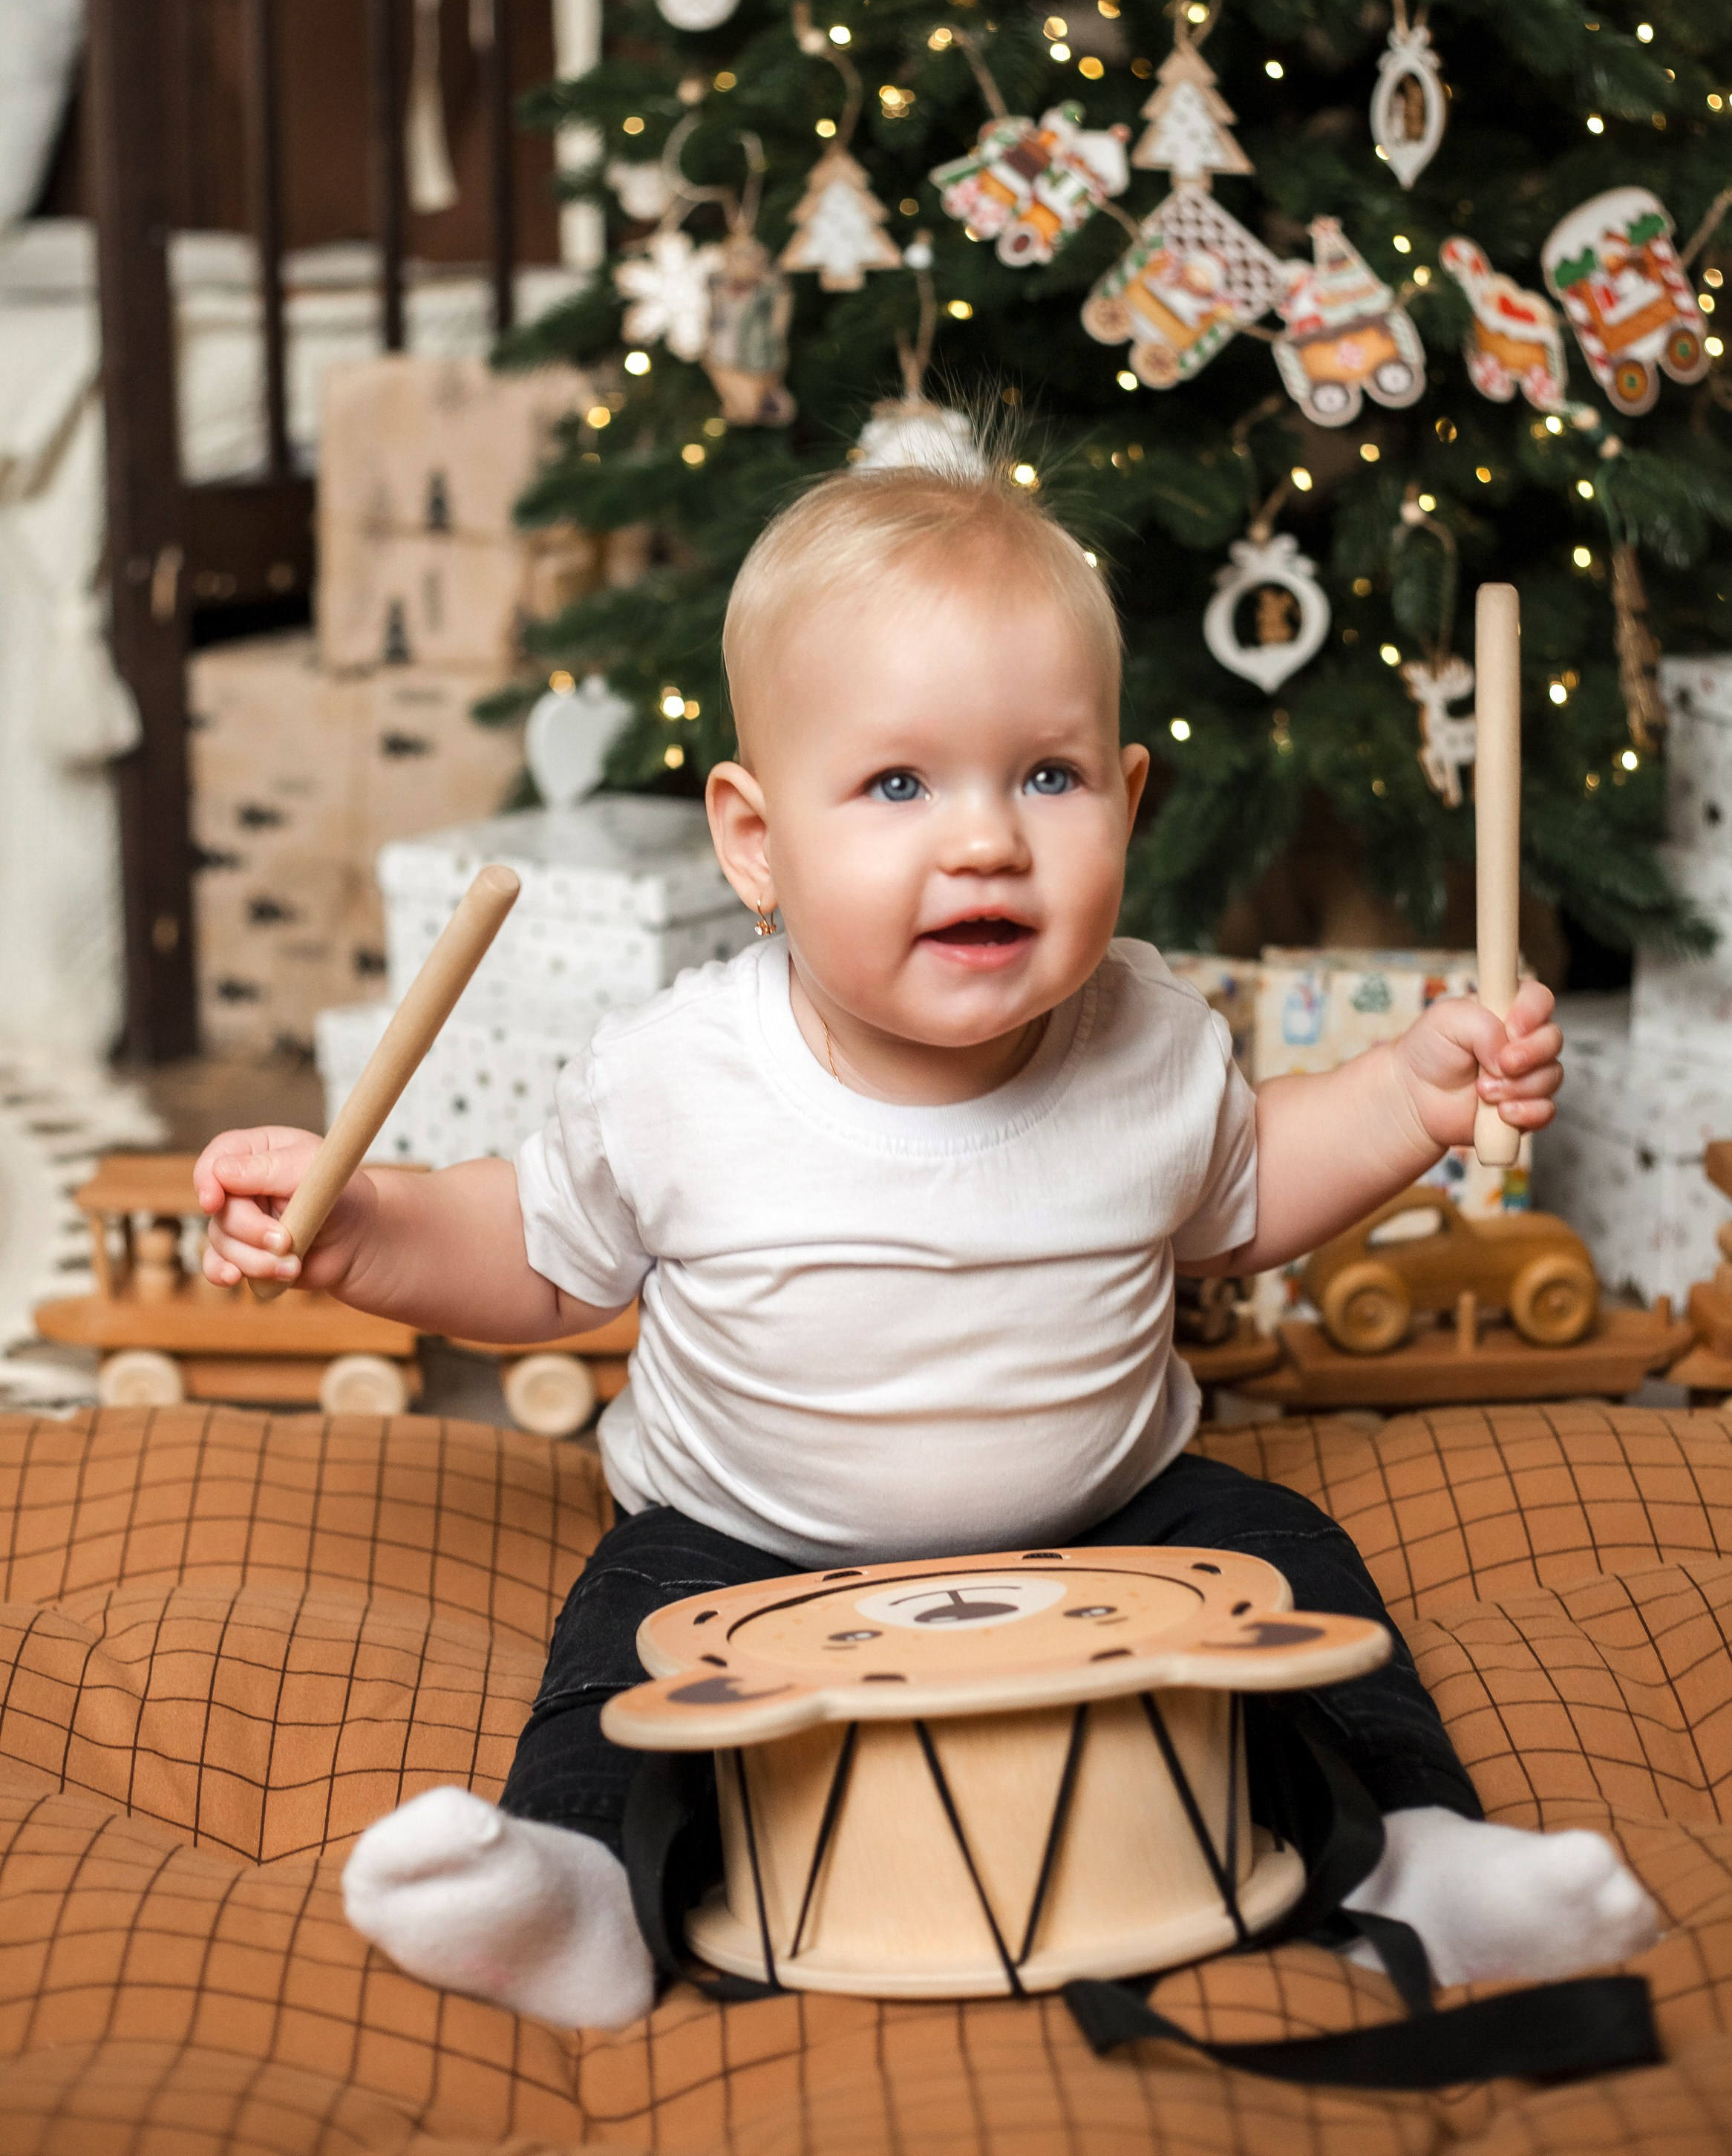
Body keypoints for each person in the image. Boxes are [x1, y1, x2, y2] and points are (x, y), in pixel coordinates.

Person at [195, 457, 1659, 2033]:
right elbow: (534, 1256)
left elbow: (1245, 1193)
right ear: (755, 843)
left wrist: (1411, 1093)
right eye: (899, 785)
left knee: (1292, 1568)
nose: (985, 843)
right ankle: (584, 1894)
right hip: (743, 1534)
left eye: (1047, 777)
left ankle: (1414, 1858)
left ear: (1130, 801)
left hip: (1105, 1512)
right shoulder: (680, 1074)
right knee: (614, 1638)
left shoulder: (1150, 1039)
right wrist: (364, 1223)